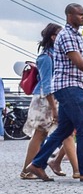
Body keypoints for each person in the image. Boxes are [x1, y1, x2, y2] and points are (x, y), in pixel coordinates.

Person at [22, 4, 83, 183]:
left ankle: (37, 164)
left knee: (64, 129)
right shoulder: (67, 36)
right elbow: (80, 65)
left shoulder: (76, 36)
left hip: (73, 87)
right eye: (79, 15)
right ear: (69, 15)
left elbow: (80, 69)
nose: (82, 17)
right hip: (69, 87)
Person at [20, 25, 60, 177]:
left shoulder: (53, 55)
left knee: (42, 134)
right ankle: (27, 170)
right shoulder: (46, 57)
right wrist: (53, 107)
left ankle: (31, 168)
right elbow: (46, 83)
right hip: (44, 98)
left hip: (48, 97)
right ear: (53, 37)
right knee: (39, 134)